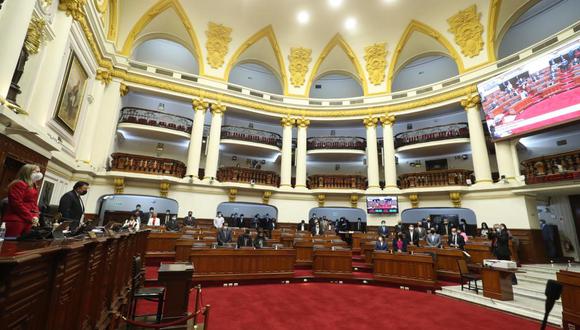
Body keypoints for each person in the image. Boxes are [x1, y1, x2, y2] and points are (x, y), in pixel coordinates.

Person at [2, 164, 42, 238]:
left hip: (28, 221)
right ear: (27, 172)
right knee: (10, 246)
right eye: (36, 172)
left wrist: (36, 216)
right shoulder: (18, 184)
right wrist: (31, 217)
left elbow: (34, 204)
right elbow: (16, 204)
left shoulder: (33, 186)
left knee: (22, 247)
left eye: (39, 172)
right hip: (16, 220)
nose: (39, 174)